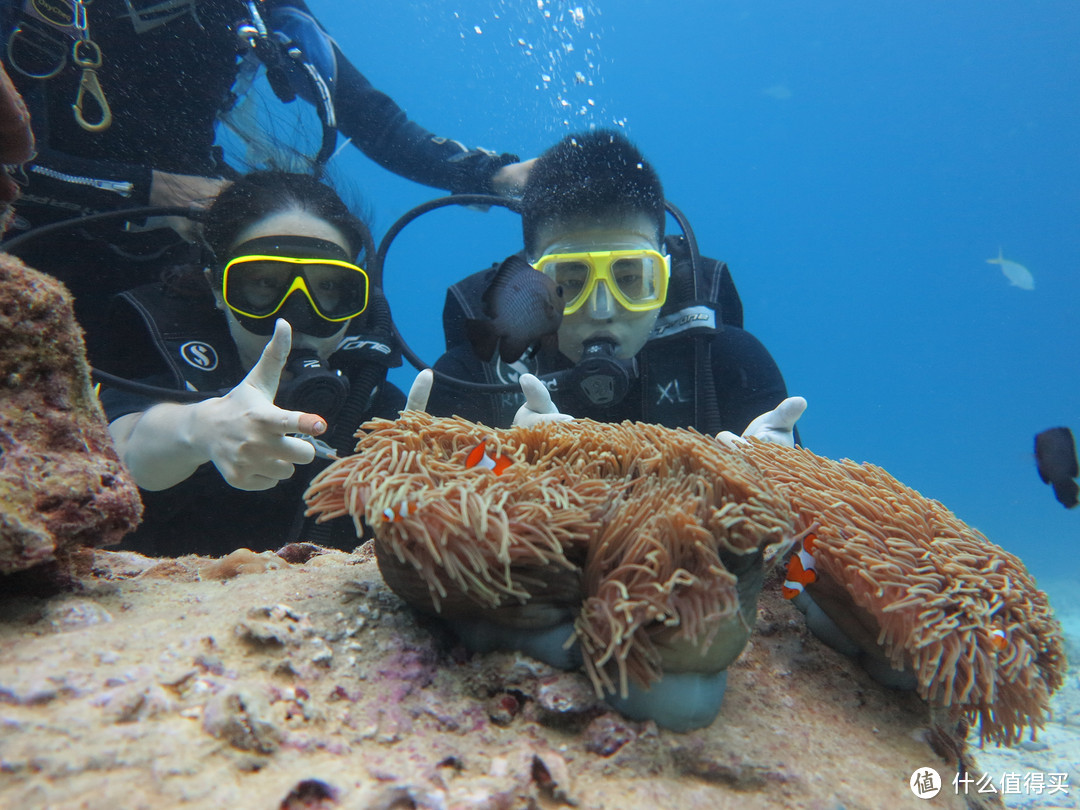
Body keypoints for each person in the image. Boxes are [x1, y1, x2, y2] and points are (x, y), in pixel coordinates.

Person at [0, 0, 532, 360]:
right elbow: (15, 163)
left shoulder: (258, 8)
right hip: (39, 249)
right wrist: (153, 191)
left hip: (184, 248)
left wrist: (493, 174)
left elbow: (370, 116)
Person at [100, 170, 406, 557]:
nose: (295, 317)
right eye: (263, 283)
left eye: (327, 286)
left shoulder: (374, 398)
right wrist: (198, 429)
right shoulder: (160, 362)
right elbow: (123, 447)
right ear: (216, 287)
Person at [427, 129, 804, 444]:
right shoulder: (471, 378)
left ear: (664, 275)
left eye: (630, 279)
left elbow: (808, 526)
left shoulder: (728, 364)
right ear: (532, 280)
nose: (603, 309)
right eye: (570, 282)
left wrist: (777, 489)